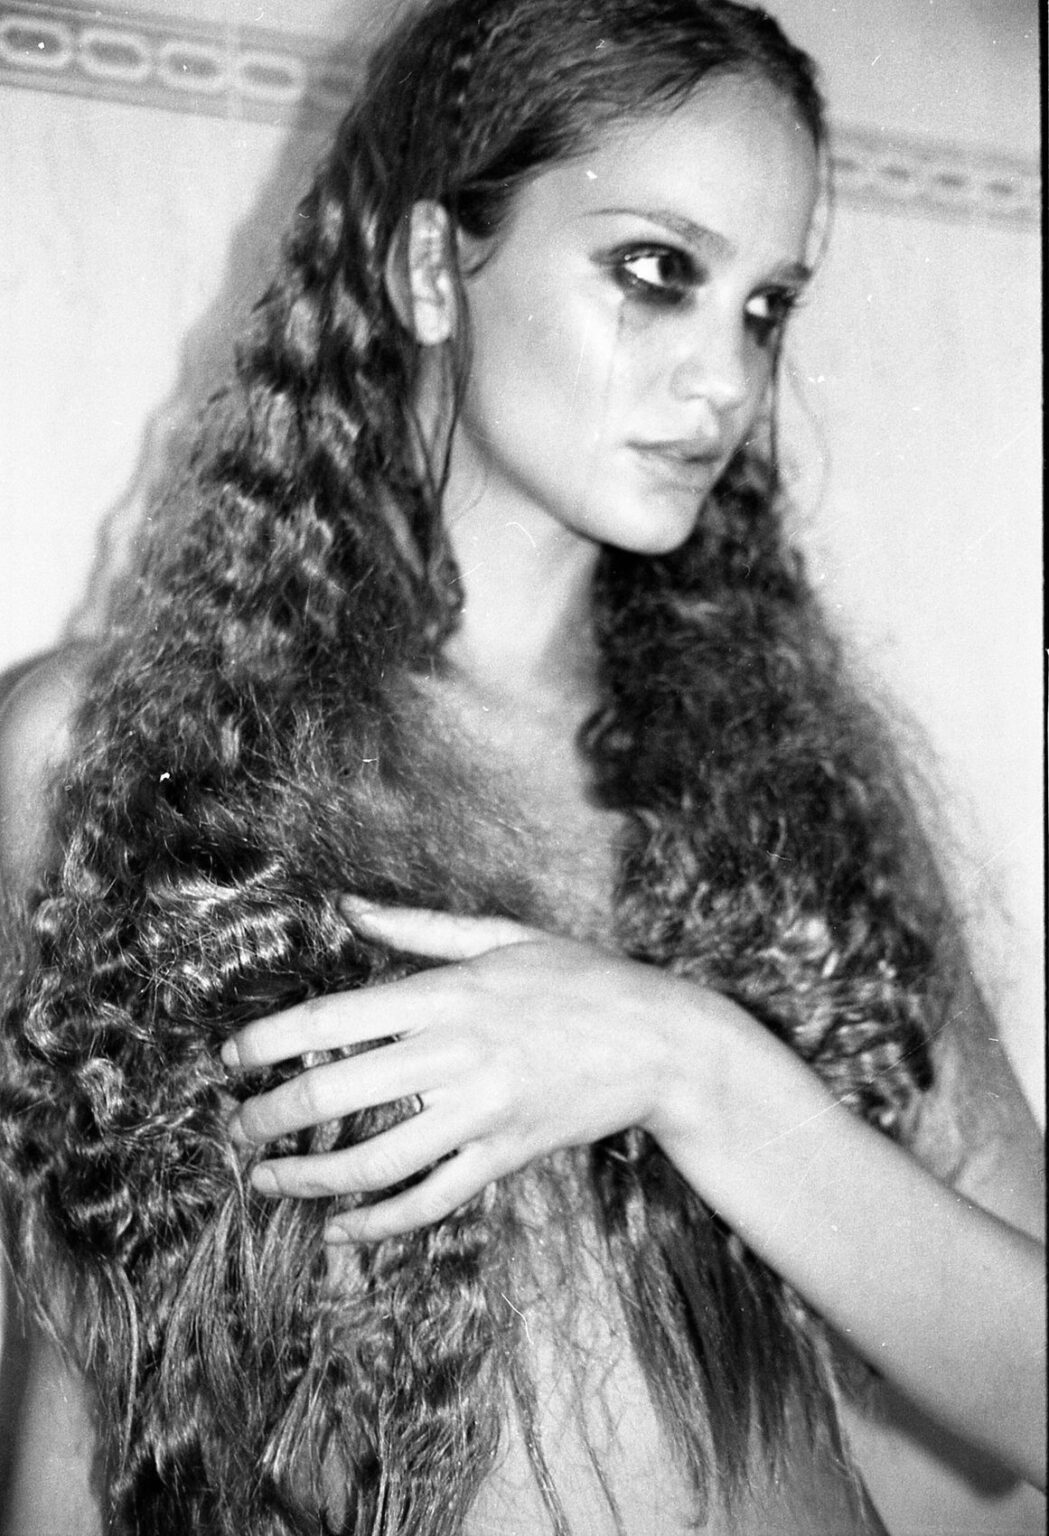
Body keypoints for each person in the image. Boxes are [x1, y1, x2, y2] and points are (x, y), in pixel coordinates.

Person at [0, 0, 1043, 1532]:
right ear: (432, 267)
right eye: (657, 272)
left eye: (764, 307)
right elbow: (85, 1368)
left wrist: (685, 1062)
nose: (727, 380)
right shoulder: (100, 753)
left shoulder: (791, 788)